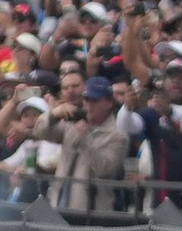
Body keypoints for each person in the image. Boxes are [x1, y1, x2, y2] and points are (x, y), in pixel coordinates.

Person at [37, 76, 129, 213]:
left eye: (95, 100)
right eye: (86, 99)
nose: (89, 104)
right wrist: (53, 114)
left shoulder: (118, 136)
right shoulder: (71, 124)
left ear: (109, 103)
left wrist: (85, 138)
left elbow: (105, 169)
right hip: (59, 204)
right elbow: (40, 132)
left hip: (93, 212)